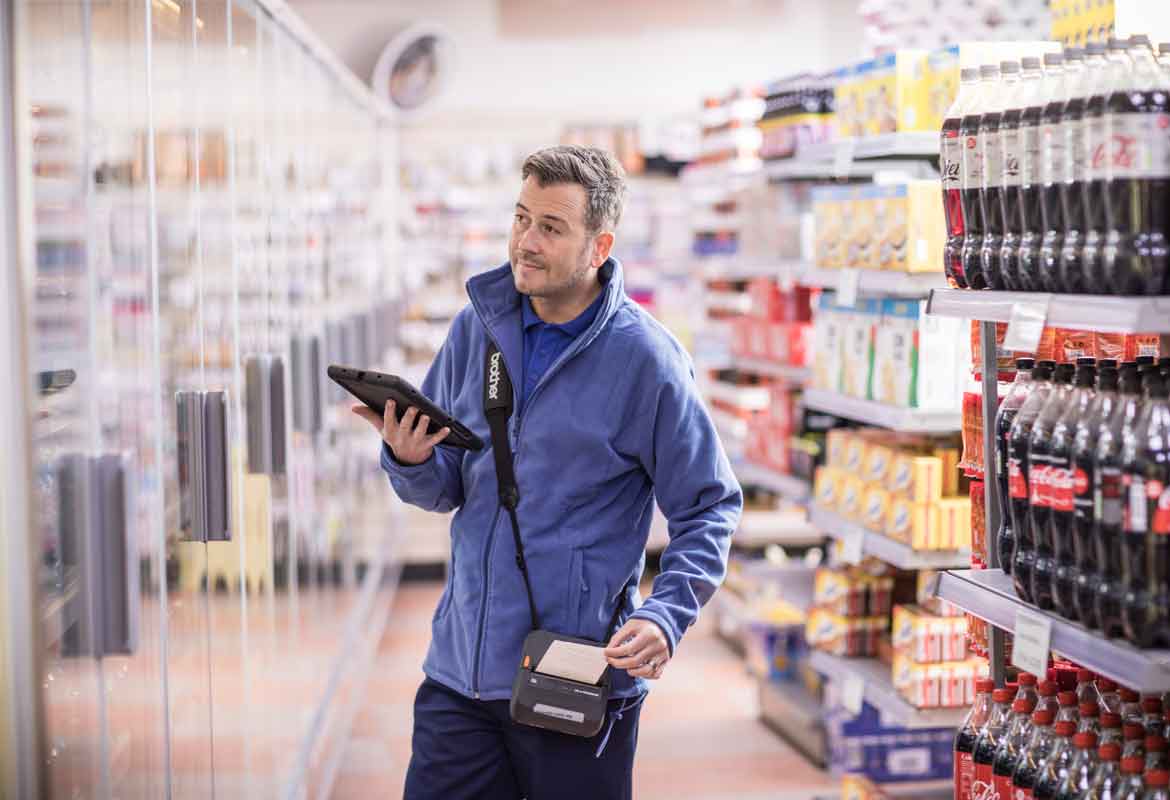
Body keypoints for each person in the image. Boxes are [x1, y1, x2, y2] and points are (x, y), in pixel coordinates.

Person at [353, 145, 742, 799]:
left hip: (575, 676)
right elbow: (449, 484)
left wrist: (666, 614)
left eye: (551, 228)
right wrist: (411, 458)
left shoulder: (646, 362)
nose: (525, 242)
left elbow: (709, 505)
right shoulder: (476, 329)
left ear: (599, 245)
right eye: (521, 218)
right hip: (461, 674)